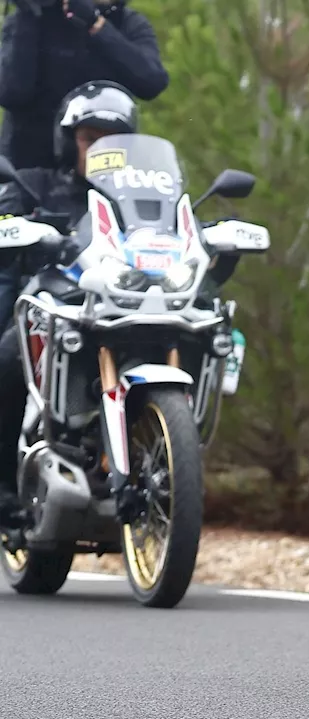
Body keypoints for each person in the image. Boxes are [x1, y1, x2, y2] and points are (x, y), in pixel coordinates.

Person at [0, 80, 139, 531]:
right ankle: (3, 487)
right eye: (90, 138)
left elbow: (179, 225)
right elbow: (5, 219)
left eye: (111, 140)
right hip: (57, 304)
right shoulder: (36, 184)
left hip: (127, 306)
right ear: (69, 141)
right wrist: (19, 226)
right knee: (7, 356)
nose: (100, 149)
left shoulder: (139, 199)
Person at [0, 0, 167, 332]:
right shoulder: (32, 18)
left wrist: (98, 27)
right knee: (6, 273)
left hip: (105, 181)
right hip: (27, 179)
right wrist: (30, 16)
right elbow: (12, 91)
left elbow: (152, 80)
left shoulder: (127, 24)